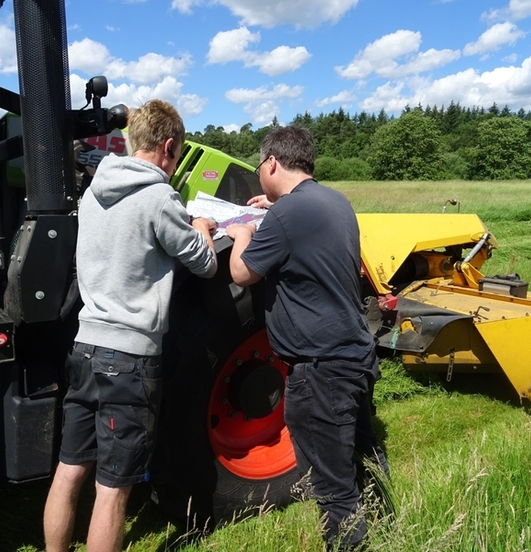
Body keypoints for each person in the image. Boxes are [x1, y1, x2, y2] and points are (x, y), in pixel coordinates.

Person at [43, 99, 218, 552]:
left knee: (69, 470)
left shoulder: (94, 190)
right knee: (113, 487)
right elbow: (203, 264)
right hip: (130, 359)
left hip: (84, 348)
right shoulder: (160, 197)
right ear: (168, 146)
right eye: (176, 155)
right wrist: (200, 226)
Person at [226, 125, 388, 551]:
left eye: (261, 165)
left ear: (272, 163)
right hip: (354, 352)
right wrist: (275, 207)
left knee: (334, 488)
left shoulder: (286, 214)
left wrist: (242, 234)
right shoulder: (335, 201)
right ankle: (391, 522)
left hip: (320, 369)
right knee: (364, 454)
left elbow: (242, 274)